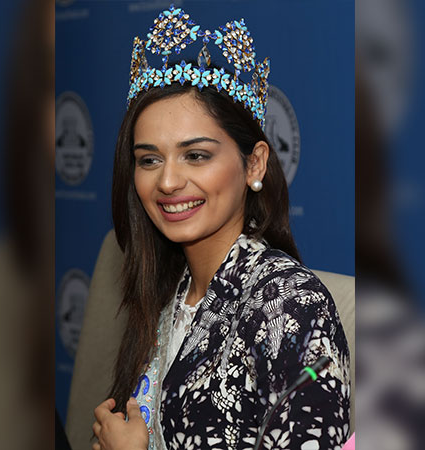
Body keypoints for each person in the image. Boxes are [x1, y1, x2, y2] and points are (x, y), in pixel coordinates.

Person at [91, 5, 350, 450]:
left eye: (196, 155)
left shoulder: (291, 307)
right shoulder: (166, 288)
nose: (167, 181)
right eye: (149, 159)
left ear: (255, 164)